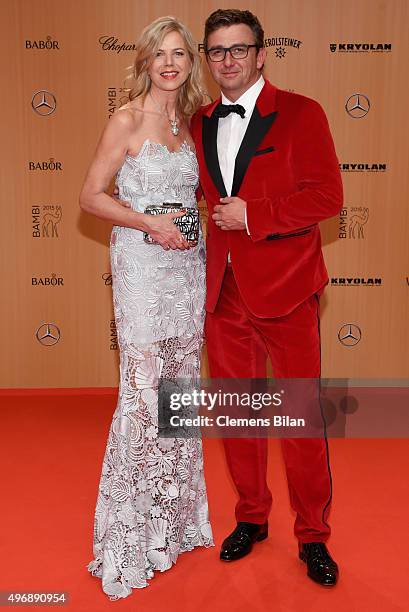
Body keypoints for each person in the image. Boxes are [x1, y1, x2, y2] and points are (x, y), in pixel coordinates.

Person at [190, 9, 343, 586]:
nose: (227, 60)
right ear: (208, 60)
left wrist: (257, 216)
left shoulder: (302, 112)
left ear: (260, 53)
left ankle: (313, 535)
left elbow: (328, 195)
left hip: (288, 289)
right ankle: (251, 517)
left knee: (301, 420)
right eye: (217, 50)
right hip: (224, 293)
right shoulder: (200, 120)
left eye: (238, 48)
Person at [79, 16, 213, 601]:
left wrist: (190, 227)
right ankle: (129, 538)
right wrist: (146, 223)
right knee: (142, 397)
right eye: (159, 53)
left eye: (179, 54)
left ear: (190, 64)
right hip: (140, 270)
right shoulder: (127, 119)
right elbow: (90, 196)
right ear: (144, 60)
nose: (169, 63)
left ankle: (173, 524)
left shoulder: (191, 126)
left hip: (187, 271)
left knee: (179, 394)